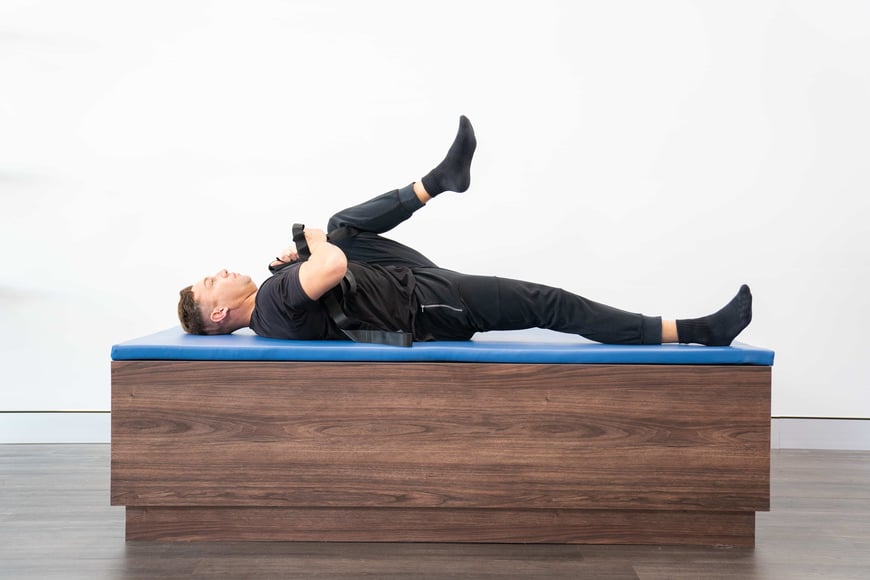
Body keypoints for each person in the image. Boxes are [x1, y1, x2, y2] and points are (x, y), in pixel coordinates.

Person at [178, 116, 752, 346]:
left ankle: (441, 180)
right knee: (552, 304)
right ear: (221, 315)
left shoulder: (275, 298)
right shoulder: (275, 304)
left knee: (344, 228)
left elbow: (329, 273)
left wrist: (307, 250)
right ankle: (697, 330)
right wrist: (311, 239)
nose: (222, 271)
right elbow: (329, 268)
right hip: (428, 307)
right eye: (213, 283)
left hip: (408, 287)